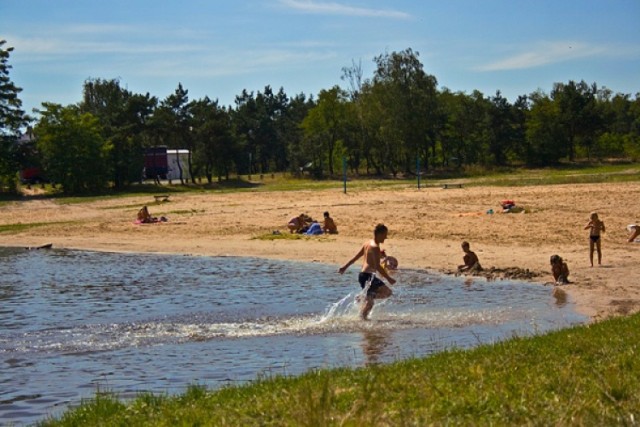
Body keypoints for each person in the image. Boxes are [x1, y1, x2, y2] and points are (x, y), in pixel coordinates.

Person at [339, 223, 397, 320]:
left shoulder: (367, 243)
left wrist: (344, 267)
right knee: (387, 293)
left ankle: (363, 313)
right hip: (368, 276)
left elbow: (355, 258)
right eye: (385, 235)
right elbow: (377, 266)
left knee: (370, 302)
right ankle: (363, 314)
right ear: (379, 234)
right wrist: (389, 278)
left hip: (362, 275)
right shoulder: (375, 247)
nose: (386, 237)